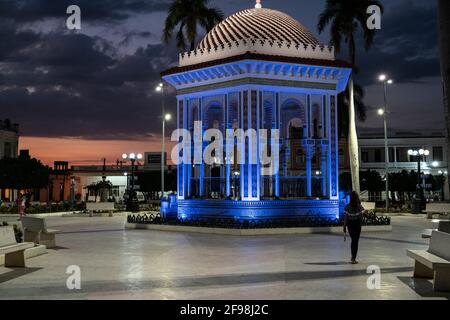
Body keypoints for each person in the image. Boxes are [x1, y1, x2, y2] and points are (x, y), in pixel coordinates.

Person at [343, 191, 364, 264]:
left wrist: (344, 226)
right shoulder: (359, 207)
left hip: (350, 225)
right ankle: (353, 258)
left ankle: (353, 257)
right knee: (356, 241)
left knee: (353, 241)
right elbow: (361, 217)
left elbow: (346, 218)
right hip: (357, 225)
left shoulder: (347, 207)